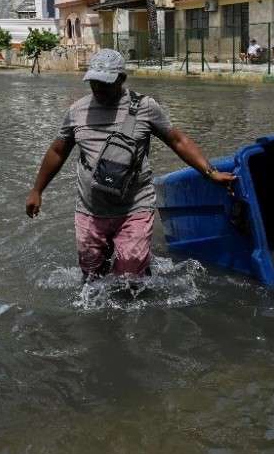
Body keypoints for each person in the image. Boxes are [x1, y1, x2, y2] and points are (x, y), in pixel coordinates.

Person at [26, 49, 235, 280]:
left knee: (130, 275)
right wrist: (37, 191)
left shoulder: (145, 107)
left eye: (105, 83)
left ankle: (139, 270)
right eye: (94, 82)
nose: (98, 89)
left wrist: (210, 173)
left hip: (134, 205)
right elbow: (57, 151)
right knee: (92, 277)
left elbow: (178, 140)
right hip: (91, 208)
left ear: (121, 80)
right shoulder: (77, 111)